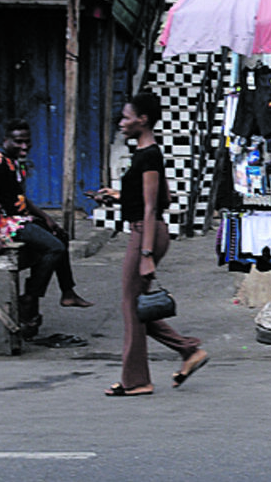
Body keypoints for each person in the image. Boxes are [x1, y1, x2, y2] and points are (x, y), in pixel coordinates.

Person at [94, 91, 208, 397]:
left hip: (146, 232)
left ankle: (137, 380)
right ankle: (188, 350)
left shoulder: (149, 156)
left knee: (131, 306)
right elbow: (165, 197)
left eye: (126, 118)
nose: (121, 123)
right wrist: (117, 196)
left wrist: (146, 254)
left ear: (142, 120)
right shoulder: (146, 154)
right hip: (146, 229)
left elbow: (151, 207)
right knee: (135, 307)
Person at [0, 119, 93, 338]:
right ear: (6, 140)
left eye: (27, 142)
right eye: (18, 142)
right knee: (55, 248)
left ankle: (67, 291)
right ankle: (30, 297)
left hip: (22, 219)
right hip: (7, 223)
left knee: (60, 235)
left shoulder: (16, 162)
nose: (24, 146)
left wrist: (45, 217)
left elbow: (20, 198)